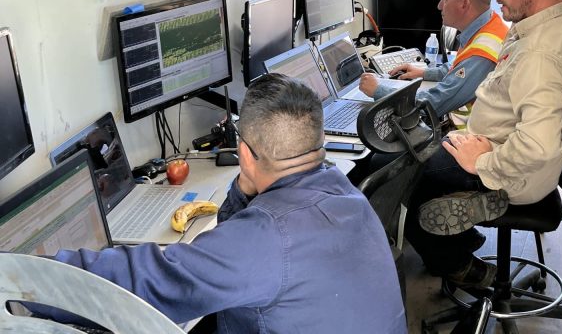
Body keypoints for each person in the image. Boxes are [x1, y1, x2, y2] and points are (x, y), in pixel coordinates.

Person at [44, 74, 407, 334]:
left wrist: (26, 274)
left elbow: (147, 278)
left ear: (245, 153)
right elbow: (236, 228)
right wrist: (248, 183)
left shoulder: (267, 238)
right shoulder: (344, 192)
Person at [406, 0, 562, 289]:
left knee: (409, 173)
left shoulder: (542, 55)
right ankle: (465, 234)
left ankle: (463, 265)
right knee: (428, 159)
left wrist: (481, 163)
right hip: (530, 160)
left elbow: (537, 145)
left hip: (511, 168)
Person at [359, 0, 508, 128]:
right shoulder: (490, 24)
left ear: (464, 4)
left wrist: (378, 90)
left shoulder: (482, 52)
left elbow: (433, 104)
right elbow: (460, 68)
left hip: (469, 139)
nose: (439, 6)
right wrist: (423, 72)